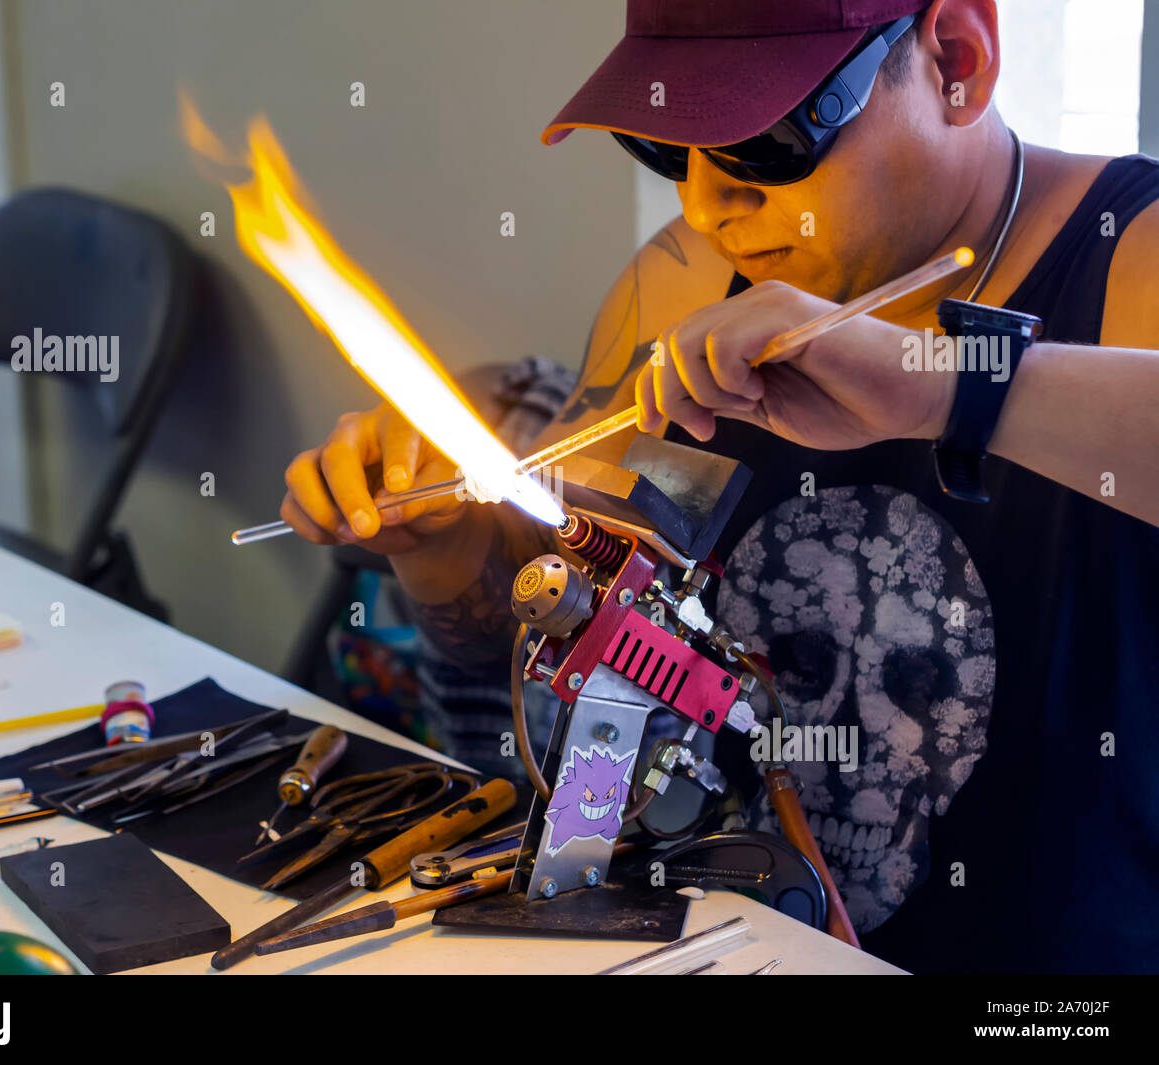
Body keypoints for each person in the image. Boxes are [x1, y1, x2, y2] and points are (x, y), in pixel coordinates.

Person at [280, 0, 1159, 973]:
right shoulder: (682, 285)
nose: (705, 205)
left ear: (957, 59)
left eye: (765, 141)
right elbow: (558, 671)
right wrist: (441, 555)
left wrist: (941, 380)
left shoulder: (1135, 261)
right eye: (670, 147)